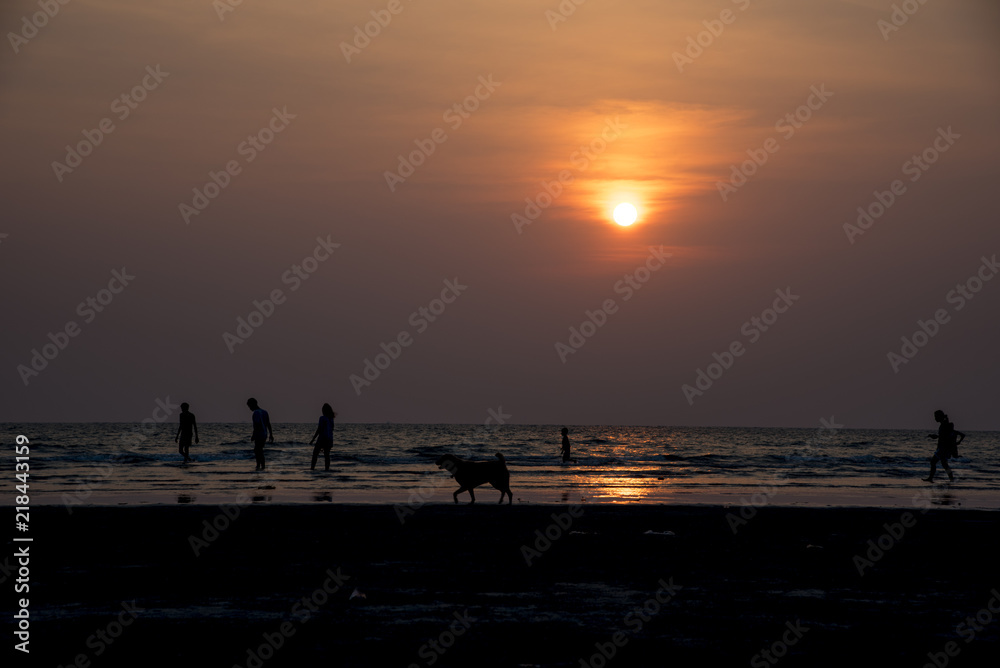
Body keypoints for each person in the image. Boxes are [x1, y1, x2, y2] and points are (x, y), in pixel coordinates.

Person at [924, 409, 964, 482]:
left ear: (940, 416)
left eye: (936, 416)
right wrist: (936, 436)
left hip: (943, 448)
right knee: (944, 464)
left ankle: (931, 478)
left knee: (933, 462)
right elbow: (943, 436)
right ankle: (951, 479)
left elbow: (945, 436)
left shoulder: (945, 424)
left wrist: (936, 437)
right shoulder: (943, 424)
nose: (935, 418)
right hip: (944, 448)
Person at [247, 397, 274, 470]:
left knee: (257, 450)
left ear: (253, 404)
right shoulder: (265, 412)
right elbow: (268, 424)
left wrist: (254, 435)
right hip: (264, 434)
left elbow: (257, 425)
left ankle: (260, 465)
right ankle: (261, 465)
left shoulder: (256, 413)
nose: (250, 408)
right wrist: (271, 434)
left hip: (259, 434)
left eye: (250, 406)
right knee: (259, 450)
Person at [308, 403, 337, 471]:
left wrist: (313, 439)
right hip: (329, 439)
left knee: (315, 454)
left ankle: (312, 468)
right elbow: (332, 430)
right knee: (327, 455)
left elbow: (319, 429)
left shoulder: (322, 418)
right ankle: (327, 469)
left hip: (322, 438)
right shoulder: (331, 419)